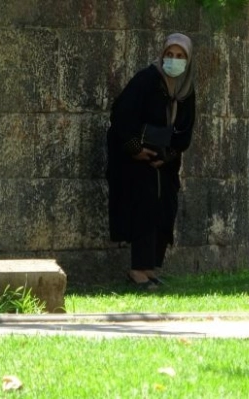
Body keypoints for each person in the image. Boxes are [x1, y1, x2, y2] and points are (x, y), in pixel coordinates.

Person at [106, 33, 196, 290]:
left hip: (164, 163)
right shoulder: (147, 80)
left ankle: (152, 267)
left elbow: (185, 130)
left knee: (165, 209)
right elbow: (122, 115)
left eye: (180, 56)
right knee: (143, 210)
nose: (174, 60)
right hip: (135, 162)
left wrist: (167, 156)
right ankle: (138, 270)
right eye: (170, 54)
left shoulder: (186, 90)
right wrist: (135, 149)